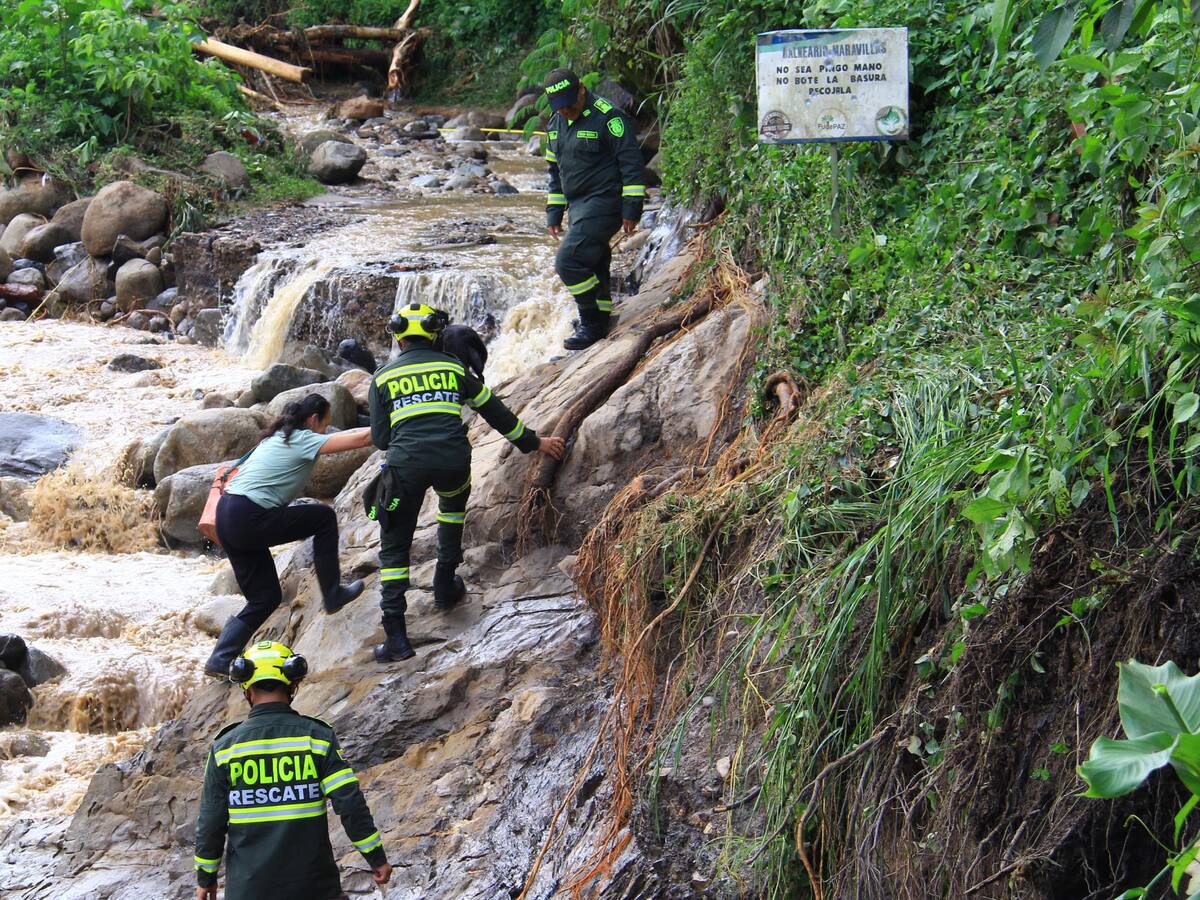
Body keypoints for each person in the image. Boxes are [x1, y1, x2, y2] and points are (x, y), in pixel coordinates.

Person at [367, 303, 565, 662]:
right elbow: (495, 411)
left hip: (405, 469)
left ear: (397, 336)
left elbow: (381, 439)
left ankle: (396, 637)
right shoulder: (454, 367)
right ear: (435, 334)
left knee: (395, 547)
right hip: (453, 462)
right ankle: (445, 585)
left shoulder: (382, 377)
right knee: (452, 512)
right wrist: (536, 443)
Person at [194, 640, 392, 899]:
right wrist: (376, 858)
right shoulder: (318, 738)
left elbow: (211, 821)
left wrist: (205, 878)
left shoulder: (225, 748)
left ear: (246, 688)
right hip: (314, 888)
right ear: (292, 685)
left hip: (249, 890)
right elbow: (350, 804)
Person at [204, 394, 374, 678]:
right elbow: (362, 439)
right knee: (323, 517)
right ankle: (332, 594)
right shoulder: (303, 438)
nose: (324, 432)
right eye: (325, 425)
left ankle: (220, 659)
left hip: (227, 517)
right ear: (313, 419)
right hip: (248, 516)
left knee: (266, 597)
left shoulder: (273, 439)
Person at [543, 67, 647, 350]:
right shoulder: (556, 123)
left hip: (606, 202)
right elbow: (555, 172)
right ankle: (601, 315)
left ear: (581, 90)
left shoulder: (609, 118)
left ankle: (590, 322)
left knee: (569, 262)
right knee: (595, 261)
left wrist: (631, 209)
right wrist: (554, 211)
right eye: (558, 106)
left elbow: (632, 164)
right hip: (577, 205)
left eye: (569, 103)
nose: (565, 111)